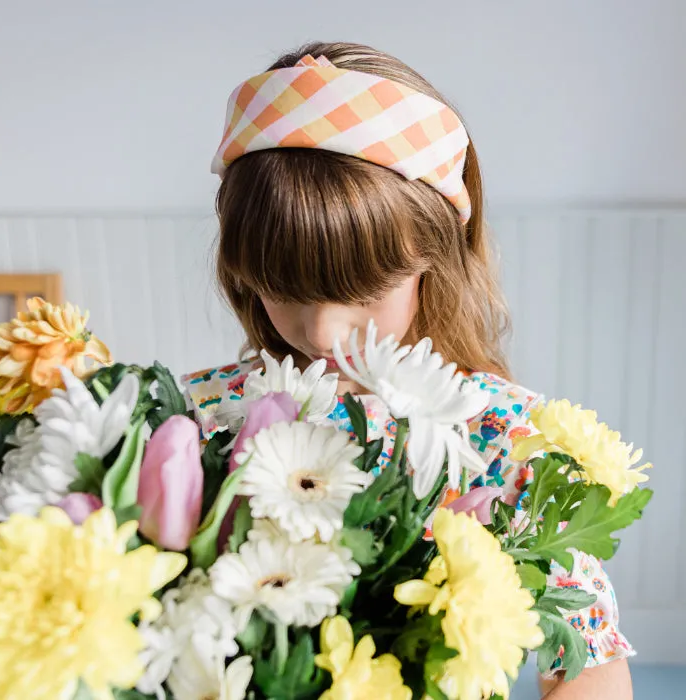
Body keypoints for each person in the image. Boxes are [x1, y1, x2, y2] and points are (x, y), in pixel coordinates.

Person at [182, 41, 634, 699]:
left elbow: (587, 660)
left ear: (434, 260)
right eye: (286, 289)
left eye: (364, 292)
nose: (323, 333)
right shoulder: (198, 421)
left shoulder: (510, 439)